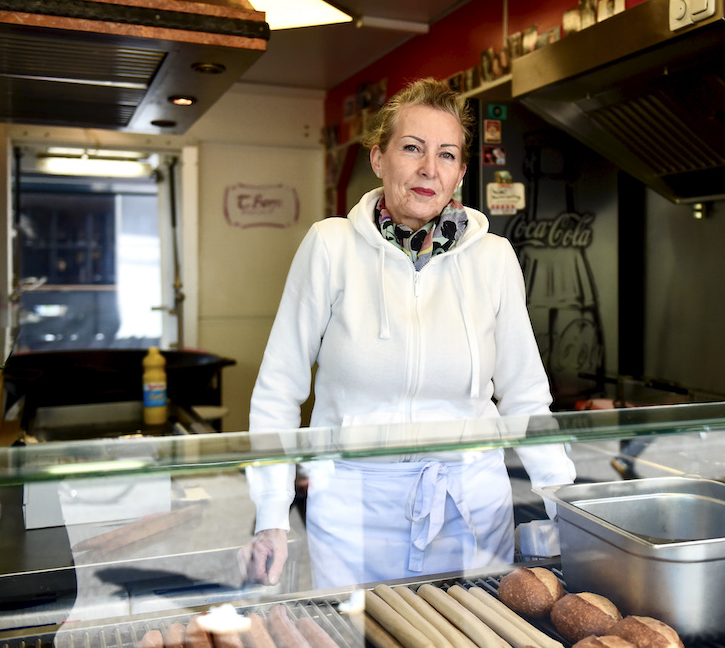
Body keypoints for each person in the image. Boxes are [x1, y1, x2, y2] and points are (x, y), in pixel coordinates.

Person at [239, 78, 576, 590]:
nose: (428, 169)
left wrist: (563, 502)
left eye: (446, 155)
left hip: (470, 509)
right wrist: (270, 515)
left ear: (461, 171)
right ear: (378, 158)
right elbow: (278, 390)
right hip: (354, 512)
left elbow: (525, 394)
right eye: (412, 148)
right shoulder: (331, 247)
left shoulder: (493, 258)